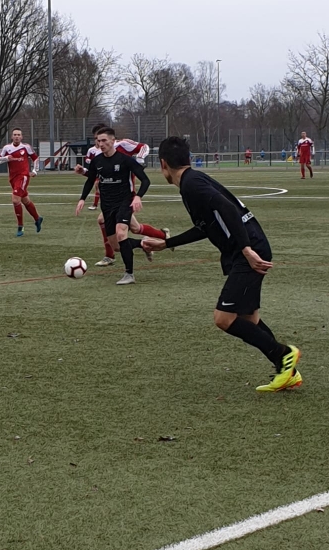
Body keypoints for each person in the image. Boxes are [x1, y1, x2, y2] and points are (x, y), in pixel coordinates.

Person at [141, 137, 301, 392]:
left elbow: (227, 208)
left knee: (223, 318)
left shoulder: (191, 185)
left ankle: (284, 356)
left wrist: (246, 248)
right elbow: (205, 226)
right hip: (248, 247)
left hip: (248, 250)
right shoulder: (193, 180)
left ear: (163, 164)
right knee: (248, 318)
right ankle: (287, 371)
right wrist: (167, 243)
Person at [75, 126, 167, 266]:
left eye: (102, 140)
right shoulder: (96, 153)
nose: (99, 143)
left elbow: (144, 147)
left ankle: (110, 256)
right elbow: (97, 174)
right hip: (109, 199)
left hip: (125, 196)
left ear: (112, 139)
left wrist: (140, 160)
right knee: (134, 229)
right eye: (96, 140)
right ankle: (157, 237)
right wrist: (83, 173)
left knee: (107, 224)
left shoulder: (123, 145)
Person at [0, 128, 43, 237]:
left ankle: (20, 226)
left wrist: (35, 171)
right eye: (15, 135)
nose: (16, 136)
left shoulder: (26, 147)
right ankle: (37, 218)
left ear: (21, 137)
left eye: (18, 135)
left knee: (15, 200)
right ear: (11, 137)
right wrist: (6, 158)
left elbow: (35, 158)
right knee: (25, 200)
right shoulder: (7, 148)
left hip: (23, 176)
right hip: (13, 178)